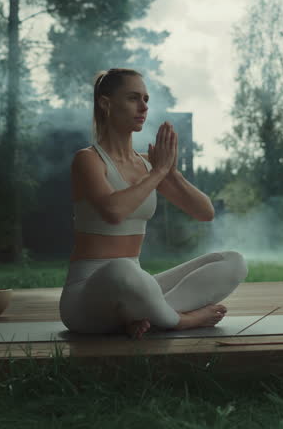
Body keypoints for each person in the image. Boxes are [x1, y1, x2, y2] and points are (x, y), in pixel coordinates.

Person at [60, 68, 248, 339]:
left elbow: (205, 212)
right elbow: (114, 211)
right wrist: (158, 173)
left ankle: (140, 315)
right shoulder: (88, 159)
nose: (144, 106)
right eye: (133, 98)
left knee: (233, 262)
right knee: (122, 269)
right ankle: (180, 320)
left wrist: (171, 172)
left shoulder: (148, 165)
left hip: (136, 286)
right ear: (105, 103)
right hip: (87, 296)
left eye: (146, 99)